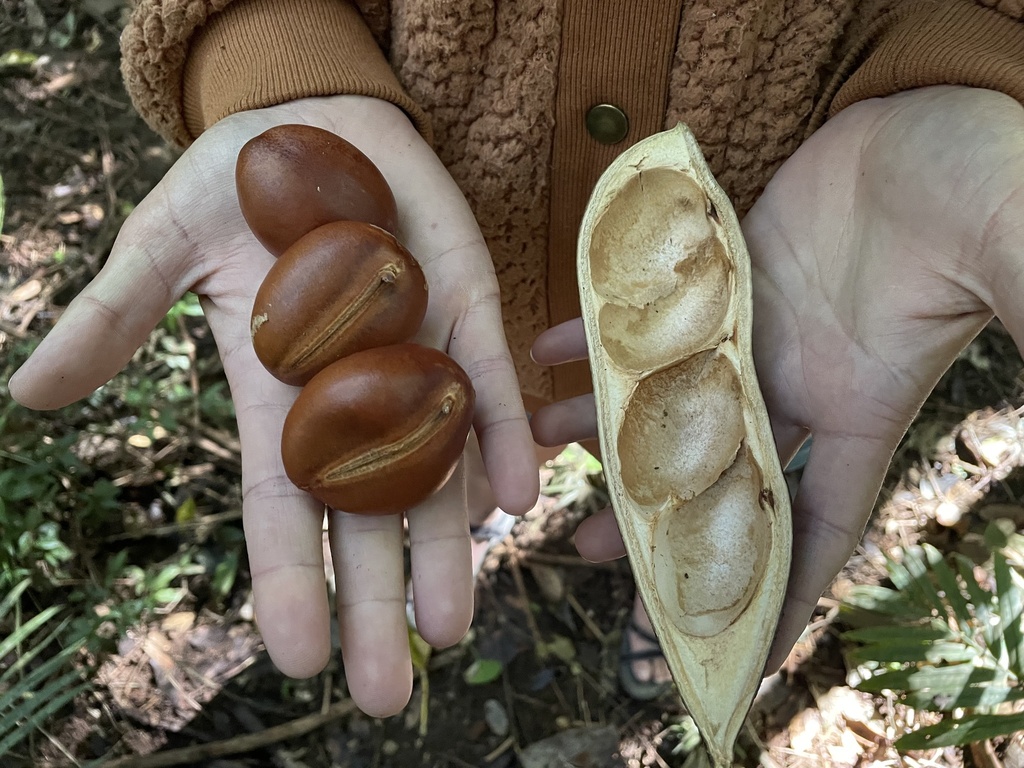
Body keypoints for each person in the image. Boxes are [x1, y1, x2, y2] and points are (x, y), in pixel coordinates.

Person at [9, 0, 1024, 717]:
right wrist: (274, 44)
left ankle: (664, 614)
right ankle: (507, 507)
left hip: (796, 280)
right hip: (461, 283)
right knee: (501, 438)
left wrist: (967, 50)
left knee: (755, 452)